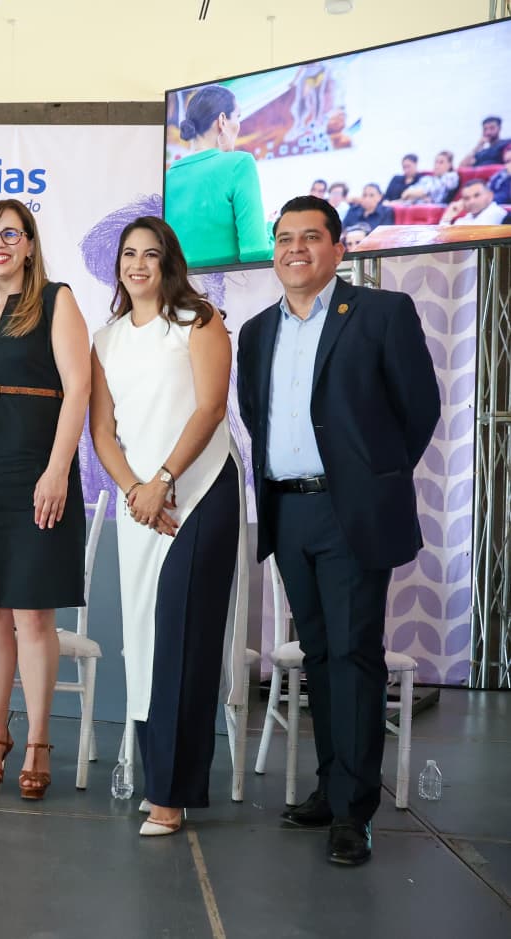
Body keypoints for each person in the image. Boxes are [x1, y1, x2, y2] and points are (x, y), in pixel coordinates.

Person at [237, 195, 440, 866]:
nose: (295, 249)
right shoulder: (256, 331)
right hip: (288, 509)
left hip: (350, 511)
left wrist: (373, 479)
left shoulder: (381, 313)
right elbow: (255, 413)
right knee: (319, 654)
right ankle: (331, 787)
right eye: (284, 238)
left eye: (310, 237)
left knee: (354, 654)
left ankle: (354, 812)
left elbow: (418, 409)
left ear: (338, 248)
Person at [90, 217, 244, 836]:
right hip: (141, 507)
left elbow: (210, 406)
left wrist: (163, 479)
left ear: (168, 262)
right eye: (129, 254)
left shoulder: (199, 321)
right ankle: (158, 778)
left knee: (185, 639)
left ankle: (171, 794)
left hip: (198, 494)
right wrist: (135, 489)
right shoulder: (105, 340)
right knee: (146, 640)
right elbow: (102, 431)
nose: (138, 264)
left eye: (150, 254)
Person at [0, 199, 91, 801]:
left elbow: (78, 389)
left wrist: (57, 470)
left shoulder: (57, 300)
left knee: (33, 613)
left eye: (11, 233)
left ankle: (37, 742)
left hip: (37, 466)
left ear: (30, 243)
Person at [165, 84, 272, 268]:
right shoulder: (240, 164)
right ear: (222, 120)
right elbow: (255, 253)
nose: (238, 125)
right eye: (238, 116)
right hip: (232, 285)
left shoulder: (168, 177)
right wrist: (271, 230)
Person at [440, 179, 510, 226]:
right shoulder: (466, 218)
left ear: (490, 195)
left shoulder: (496, 212)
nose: (471, 202)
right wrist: (447, 217)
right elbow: (443, 240)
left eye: (477, 195)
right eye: (467, 198)